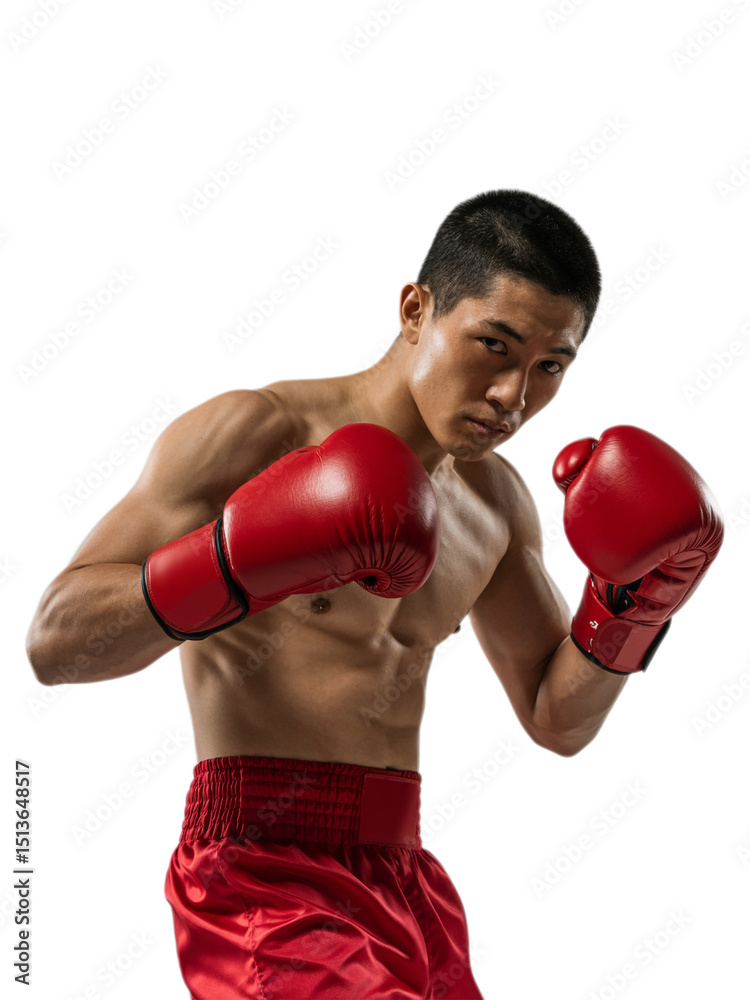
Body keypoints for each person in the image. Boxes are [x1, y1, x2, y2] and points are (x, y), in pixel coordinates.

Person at [25, 190, 723, 999]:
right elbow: (56, 643)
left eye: (549, 367)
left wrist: (635, 604)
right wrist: (234, 559)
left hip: (406, 879)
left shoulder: (496, 503)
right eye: (493, 346)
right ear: (416, 310)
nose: (513, 396)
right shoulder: (261, 433)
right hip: (262, 872)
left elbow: (556, 717)